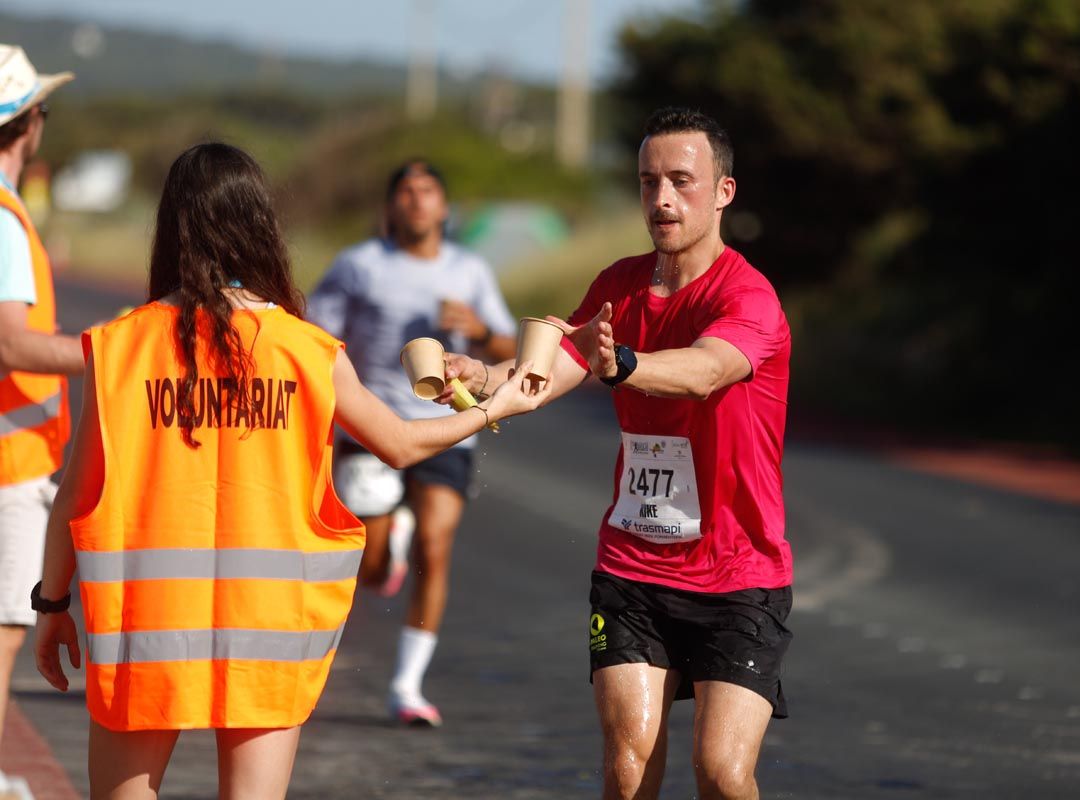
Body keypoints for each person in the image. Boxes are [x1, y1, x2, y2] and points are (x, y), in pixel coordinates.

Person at [31, 142, 549, 800]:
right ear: (260, 227)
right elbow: (400, 444)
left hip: (145, 624)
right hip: (269, 629)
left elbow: (76, 495)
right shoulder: (308, 351)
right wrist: (496, 406)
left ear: (172, 225)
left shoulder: (118, 347)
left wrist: (52, 604)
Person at [444, 107, 792, 799]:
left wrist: (624, 364)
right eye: (648, 182)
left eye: (682, 182)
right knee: (627, 768)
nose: (662, 199)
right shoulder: (619, 286)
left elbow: (706, 371)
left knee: (722, 774)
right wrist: (479, 378)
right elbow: (551, 373)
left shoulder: (747, 296)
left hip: (737, 574)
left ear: (723, 191)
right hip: (633, 566)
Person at [307, 159, 517, 726]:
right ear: (390, 206)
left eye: (428, 191)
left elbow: (506, 340)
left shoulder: (469, 270)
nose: (417, 201)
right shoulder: (358, 265)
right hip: (371, 427)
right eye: (405, 191)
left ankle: (407, 685)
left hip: (447, 426)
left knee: (436, 545)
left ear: (444, 208)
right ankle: (388, 540)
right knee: (369, 566)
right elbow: (314, 335)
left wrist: (475, 328)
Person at [0, 44, 84, 791]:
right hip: (9, 460)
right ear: (30, 123)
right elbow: (11, 341)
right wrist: (116, 352)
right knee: (0, 633)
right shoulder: (2, 218)